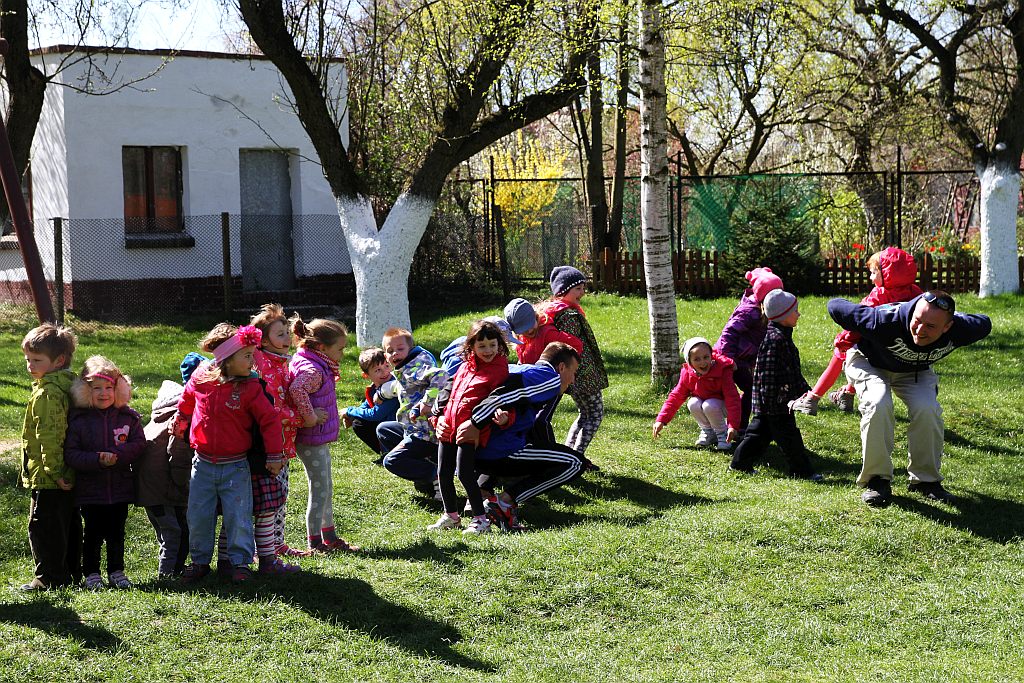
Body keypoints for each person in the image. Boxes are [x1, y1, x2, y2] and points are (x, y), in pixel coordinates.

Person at [827, 290, 992, 507]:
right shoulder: (884, 321)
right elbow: (835, 304)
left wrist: (954, 315)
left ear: (947, 326)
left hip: (914, 370)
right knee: (878, 402)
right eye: (917, 321)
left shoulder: (961, 329)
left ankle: (926, 481)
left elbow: (985, 323)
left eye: (931, 326)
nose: (920, 330)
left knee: (928, 409)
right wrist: (874, 312)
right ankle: (877, 480)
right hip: (869, 362)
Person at [174, 324, 285, 583]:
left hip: (235, 466)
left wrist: (274, 455)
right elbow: (187, 398)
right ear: (226, 358)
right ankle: (199, 562)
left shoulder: (251, 386)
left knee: (239, 516)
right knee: (199, 515)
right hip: (202, 464)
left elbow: (270, 421)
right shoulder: (201, 377)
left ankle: (240, 564)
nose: (253, 360)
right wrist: (181, 418)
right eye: (246, 356)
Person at [446, 341, 586, 532]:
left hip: (474, 450)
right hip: (498, 451)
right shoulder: (548, 378)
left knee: (540, 450)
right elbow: (502, 396)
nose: (574, 380)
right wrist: (475, 422)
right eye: (574, 372)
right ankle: (504, 502)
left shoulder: (520, 369)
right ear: (561, 367)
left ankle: (481, 495)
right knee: (575, 463)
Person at [791, 247, 922, 414]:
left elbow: (858, 323)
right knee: (862, 358)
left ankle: (812, 398)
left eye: (874, 273)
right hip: (897, 347)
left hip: (872, 343)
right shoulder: (915, 292)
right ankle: (847, 394)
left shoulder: (877, 297)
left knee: (843, 353)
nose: (870, 277)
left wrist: (843, 340)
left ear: (887, 274)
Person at [65, 356, 146, 589]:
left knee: (116, 532)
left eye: (109, 388)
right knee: (92, 533)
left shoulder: (128, 417)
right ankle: (91, 572)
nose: (103, 393)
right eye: (96, 388)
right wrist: (97, 459)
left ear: (118, 389)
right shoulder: (79, 421)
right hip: (90, 490)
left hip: (119, 488)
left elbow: (139, 444)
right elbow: (71, 454)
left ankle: (116, 571)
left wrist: (117, 455)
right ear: (84, 390)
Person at [729, 290, 822, 481]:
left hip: (775, 401)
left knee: (758, 435)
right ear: (783, 316)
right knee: (789, 437)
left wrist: (805, 390)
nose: (799, 314)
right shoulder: (775, 340)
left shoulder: (782, 336)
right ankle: (802, 470)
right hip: (774, 402)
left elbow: (790, 370)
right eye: (795, 311)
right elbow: (766, 374)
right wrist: (772, 401)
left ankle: (739, 464)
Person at [428, 320, 510, 535]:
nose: (488, 350)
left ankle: (481, 520)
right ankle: (451, 516)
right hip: (449, 426)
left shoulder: (499, 369)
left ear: (499, 344)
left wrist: (501, 416)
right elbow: (450, 391)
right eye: (482, 346)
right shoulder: (465, 366)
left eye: (492, 345)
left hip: (471, 430)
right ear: (471, 346)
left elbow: (498, 399)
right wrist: (439, 416)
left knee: (465, 474)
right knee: (443, 472)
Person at [19, 323, 81, 591]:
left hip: (48, 474)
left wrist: (54, 471)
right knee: (67, 523)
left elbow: (50, 435)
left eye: (37, 360)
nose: (30, 366)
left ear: (59, 361)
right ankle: (70, 572)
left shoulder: (48, 392)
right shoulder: (69, 386)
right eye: (28, 360)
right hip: (67, 470)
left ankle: (48, 578)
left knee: (43, 526)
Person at [288, 316, 357, 553]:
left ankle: (330, 537)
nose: (343, 353)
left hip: (317, 437)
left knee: (325, 485)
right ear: (321, 347)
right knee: (319, 488)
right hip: (310, 437)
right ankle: (315, 541)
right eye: (340, 348)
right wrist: (310, 417)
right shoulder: (314, 369)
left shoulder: (312, 360)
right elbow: (297, 389)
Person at [249, 304, 303, 564]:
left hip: (285, 441)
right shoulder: (263, 365)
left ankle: (277, 543)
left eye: (286, 333)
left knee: (281, 494)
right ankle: (264, 548)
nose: (286, 339)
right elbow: (270, 409)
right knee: (269, 497)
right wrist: (302, 417)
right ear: (263, 339)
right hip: (270, 445)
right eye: (280, 334)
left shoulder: (280, 362)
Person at [538, 266, 609, 457]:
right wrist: (580, 374)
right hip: (582, 374)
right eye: (577, 288)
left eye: (583, 288)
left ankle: (571, 453)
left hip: (575, 374)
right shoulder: (569, 316)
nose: (582, 293)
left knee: (584, 414)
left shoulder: (557, 312)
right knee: (594, 414)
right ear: (563, 290)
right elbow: (571, 350)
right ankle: (576, 456)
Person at [377, 327, 449, 498]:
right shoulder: (406, 366)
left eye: (400, 349)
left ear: (410, 348)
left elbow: (441, 376)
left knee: (392, 461)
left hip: (425, 433)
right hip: (413, 427)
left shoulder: (415, 367)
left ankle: (435, 473)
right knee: (384, 429)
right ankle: (426, 463)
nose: (395, 353)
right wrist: (381, 393)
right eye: (390, 351)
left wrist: (427, 402)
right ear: (385, 356)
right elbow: (404, 386)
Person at [713, 267, 783, 431]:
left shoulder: (763, 309)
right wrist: (728, 359)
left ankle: (737, 425)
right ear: (764, 297)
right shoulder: (750, 311)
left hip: (744, 359)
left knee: (750, 389)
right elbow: (729, 332)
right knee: (749, 389)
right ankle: (737, 426)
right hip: (731, 359)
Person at [137, 374, 193, 579]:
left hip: (148, 491)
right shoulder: (178, 421)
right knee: (175, 532)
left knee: (167, 532)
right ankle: (168, 575)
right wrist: (183, 486)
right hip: (165, 489)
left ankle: (174, 568)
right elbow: (178, 455)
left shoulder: (153, 421)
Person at [652, 337, 741, 451]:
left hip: (722, 407)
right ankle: (708, 432)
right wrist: (661, 420)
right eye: (697, 359)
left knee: (709, 405)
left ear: (711, 356)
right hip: (707, 406)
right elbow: (676, 397)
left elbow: (732, 399)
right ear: (689, 362)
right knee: (693, 403)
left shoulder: (722, 370)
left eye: (706, 357)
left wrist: (732, 426)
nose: (703, 362)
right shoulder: (687, 374)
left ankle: (723, 435)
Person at [343, 348, 398, 459]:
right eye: (377, 370)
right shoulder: (374, 388)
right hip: (386, 428)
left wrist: (349, 411)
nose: (385, 372)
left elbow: (376, 414)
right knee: (358, 423)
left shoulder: (394, 387)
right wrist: (351, 415)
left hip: (400, 427)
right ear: (366, 375)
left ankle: (392, 454)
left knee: (363, 420)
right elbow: (366, 405)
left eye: (386, 366)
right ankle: (386, 453)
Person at [503, 297, 582, 364]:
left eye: (531, 324)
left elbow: (576, 345)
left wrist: (559, 367)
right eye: (524, 330)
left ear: (535, 316)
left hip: (550, 379)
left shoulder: (547, 334)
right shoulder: (521, 338)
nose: (530, 331)